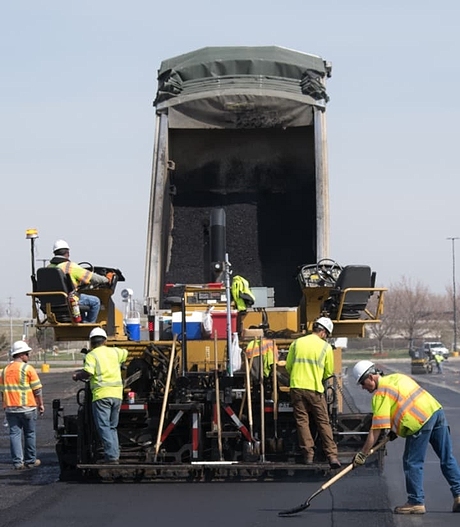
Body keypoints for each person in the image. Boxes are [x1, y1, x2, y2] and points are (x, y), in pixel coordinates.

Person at [352, 360, 460, 514]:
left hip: (420, 422)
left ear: (370, 377)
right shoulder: (398, 378)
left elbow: (376, 431)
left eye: (362, 383)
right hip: (436, 412)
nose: (363, 387)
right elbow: (405, 403)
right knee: (447, 457)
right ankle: (459, 495)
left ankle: (416, 501)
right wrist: (396, 430)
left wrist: (362, 454)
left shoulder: (381, 394)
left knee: (412, 462)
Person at [285, 316, 341, 468]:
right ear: (323, 332)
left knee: (302, 421)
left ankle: (308, 455)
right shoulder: (326, 347)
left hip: (296, 387)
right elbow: (329, 371)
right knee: (323, 421)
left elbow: (288, 366)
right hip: (315, 389)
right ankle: (332, 456)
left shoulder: (297, 343)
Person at [72, 327, 128, 464]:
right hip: (117, 394)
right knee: (112, 426)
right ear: (105, 340)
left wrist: (77, 375)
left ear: (91, 342)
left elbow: (89, 372)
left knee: (103, 426)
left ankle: (112, 456)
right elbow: (125, 353)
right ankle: (115, 454)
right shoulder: (115, 352)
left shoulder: (92, 355)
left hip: (101, 395)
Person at [0, 341, 44, 470]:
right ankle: (30, 460)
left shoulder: (4, 371)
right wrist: (40, 404)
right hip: (27, 407)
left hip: (10, 408)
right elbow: (37, 390)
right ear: (21, 354)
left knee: (14, 434)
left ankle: (18, 462)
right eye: (27, 353)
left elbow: (2, 391)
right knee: (29, 433)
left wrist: (5, 406)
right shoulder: (27, 368)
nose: (28, 356)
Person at [49, 239, 109, 323]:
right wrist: (106, 279)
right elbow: (94, 278)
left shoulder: (49, 268)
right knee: (95, 301)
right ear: (67, 253)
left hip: (51, 302)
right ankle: (89, 326)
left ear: (54, 253)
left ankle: (82, 321)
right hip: (68, 300)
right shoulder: (70, 266)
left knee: (80, 299)